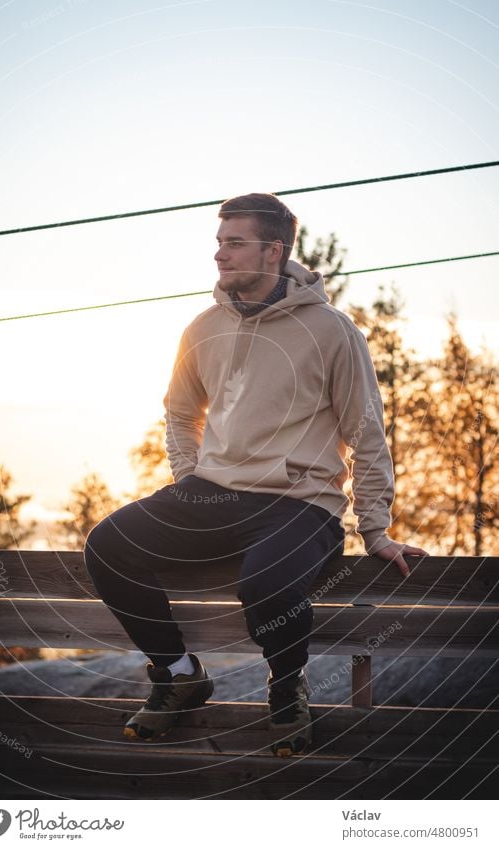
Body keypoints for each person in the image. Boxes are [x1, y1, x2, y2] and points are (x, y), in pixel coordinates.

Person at [84, 192, 428, 757]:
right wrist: (190, 476)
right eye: (219, 243)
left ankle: (286, 690)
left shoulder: (332, 330)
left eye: (233, 243)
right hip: (213, 494)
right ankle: (179, 675)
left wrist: (375, 528)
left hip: (301, 503)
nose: (219, 255)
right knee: (108, 543)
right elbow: (179, 411)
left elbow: (366, 431)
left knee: (265, 584)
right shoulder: (201, 327)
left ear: (273, 251)